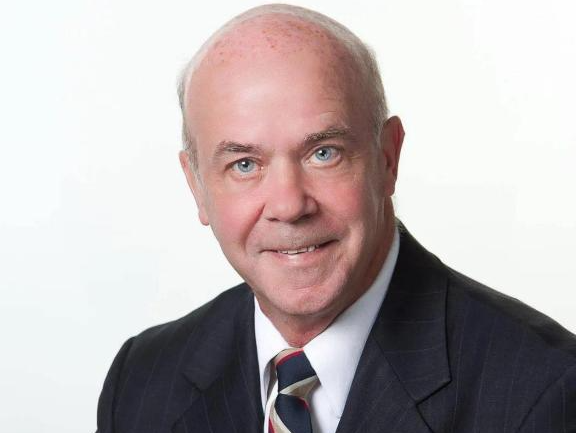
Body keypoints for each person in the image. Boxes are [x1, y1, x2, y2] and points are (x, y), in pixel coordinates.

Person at [96, 4, 576, 433]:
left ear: (388, 159)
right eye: (244, 164)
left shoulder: (545, 391)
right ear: (196, 185)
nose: (289, 206)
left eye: (323, 153)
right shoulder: (141, 381)